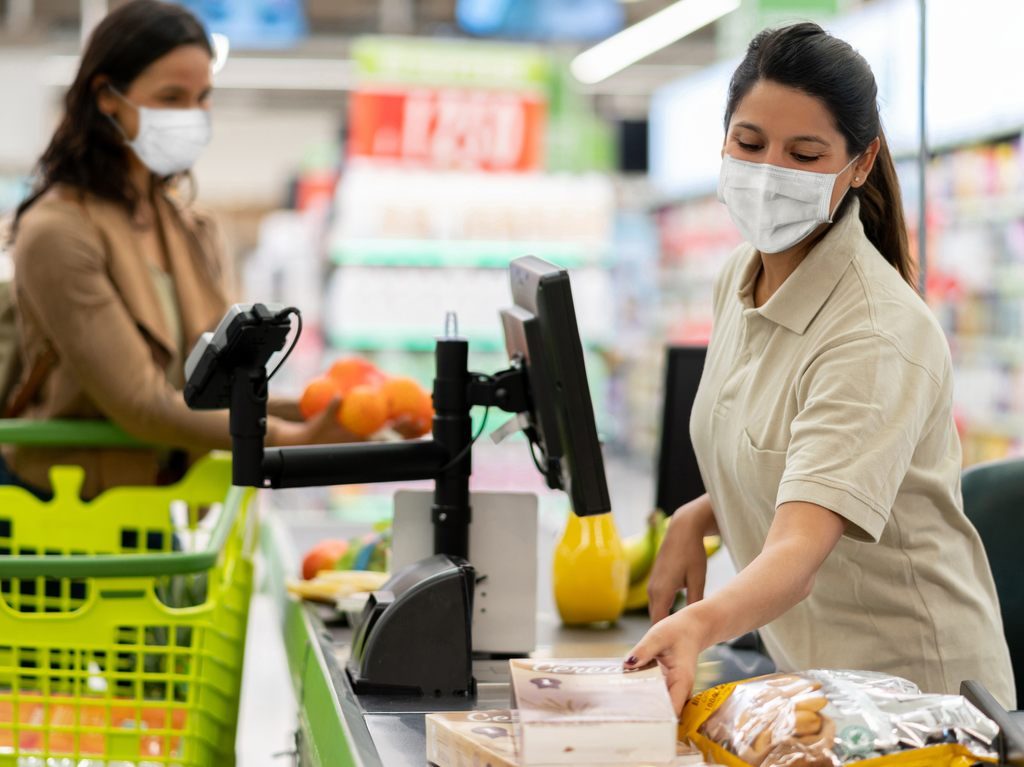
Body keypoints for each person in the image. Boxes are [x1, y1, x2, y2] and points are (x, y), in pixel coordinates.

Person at [625, 22, 1016, 712]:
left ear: (860, 165)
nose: (770, 173)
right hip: (821, 687)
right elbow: (796, 456)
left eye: (804, 154)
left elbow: (799, 551)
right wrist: (701, 513)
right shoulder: (740, 278)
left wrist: (698, 623)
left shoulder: (875, 332)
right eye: (749, 144)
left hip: (922, 703)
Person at [2, 0, 359, 499]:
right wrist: (284, 435)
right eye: (171, 98)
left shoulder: (187, 226)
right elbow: (140, 403)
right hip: (65, 513)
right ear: (107, 97)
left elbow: (215, 387)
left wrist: (331, 411)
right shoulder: (58, 232)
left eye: (202, 97)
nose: (193, 116)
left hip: (160, 502)